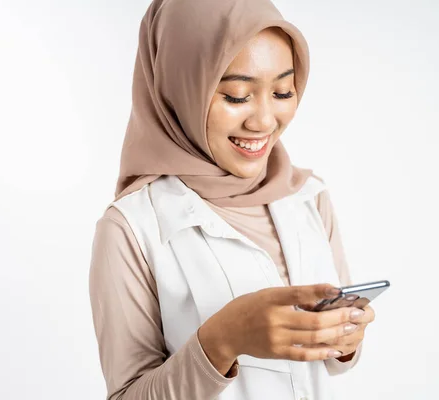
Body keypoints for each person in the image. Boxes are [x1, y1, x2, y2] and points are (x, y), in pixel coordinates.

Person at [88, 0, 376, 399]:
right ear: (180, 88)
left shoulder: (309, 196)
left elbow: (337, 360)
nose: (263, 121)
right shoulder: (130, 227)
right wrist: (223, 340)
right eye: (237, 96)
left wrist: (344, 337)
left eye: (282, 91)